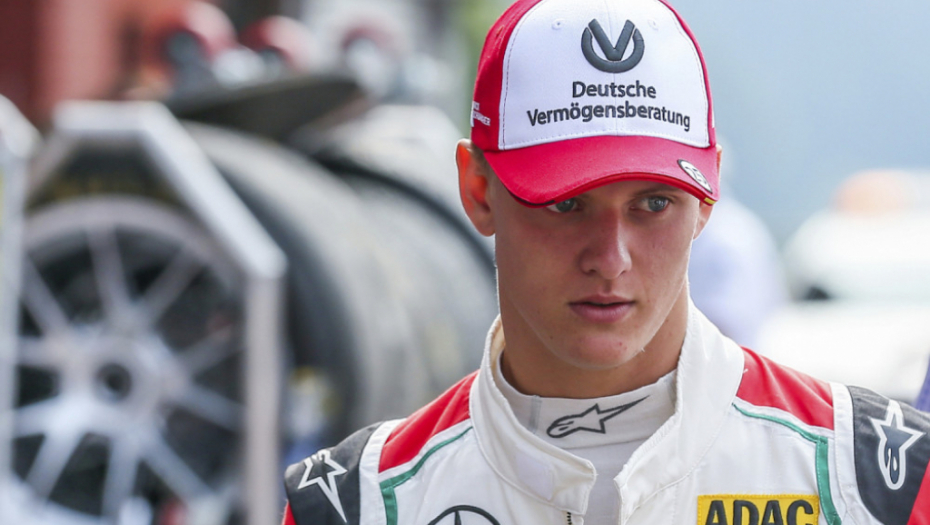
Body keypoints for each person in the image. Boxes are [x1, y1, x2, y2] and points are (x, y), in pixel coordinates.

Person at [281, 0, 930, 524]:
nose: (611, 258)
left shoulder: (876, 478)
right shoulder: (353, 502)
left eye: (654, 203)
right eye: (565, 204)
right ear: (477, 190)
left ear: (708, 197)